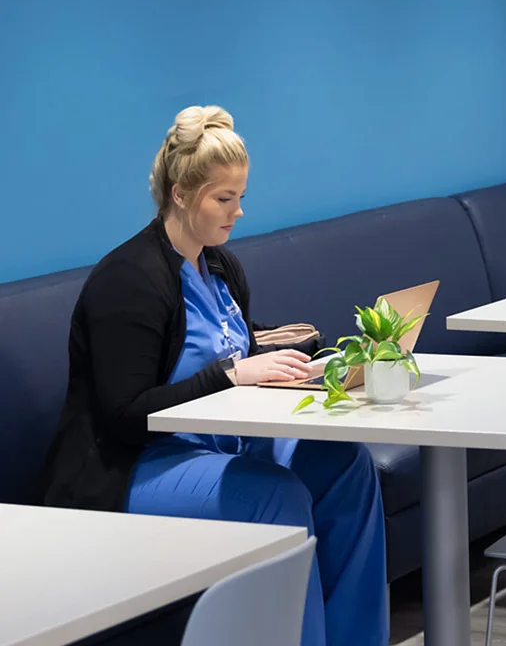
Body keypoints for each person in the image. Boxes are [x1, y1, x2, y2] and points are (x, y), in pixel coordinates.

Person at [42, 105, 388, 646]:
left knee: (348, 466)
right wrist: (231, 376)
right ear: (181, 193)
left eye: (240, 197)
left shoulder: (220, 265)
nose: (238, 212)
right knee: (276, 496)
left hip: (223, 445)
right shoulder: (129, 282)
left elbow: (243, 346)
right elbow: (125, 416)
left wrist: (311, 366)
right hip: (133, 467)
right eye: (224, 199)